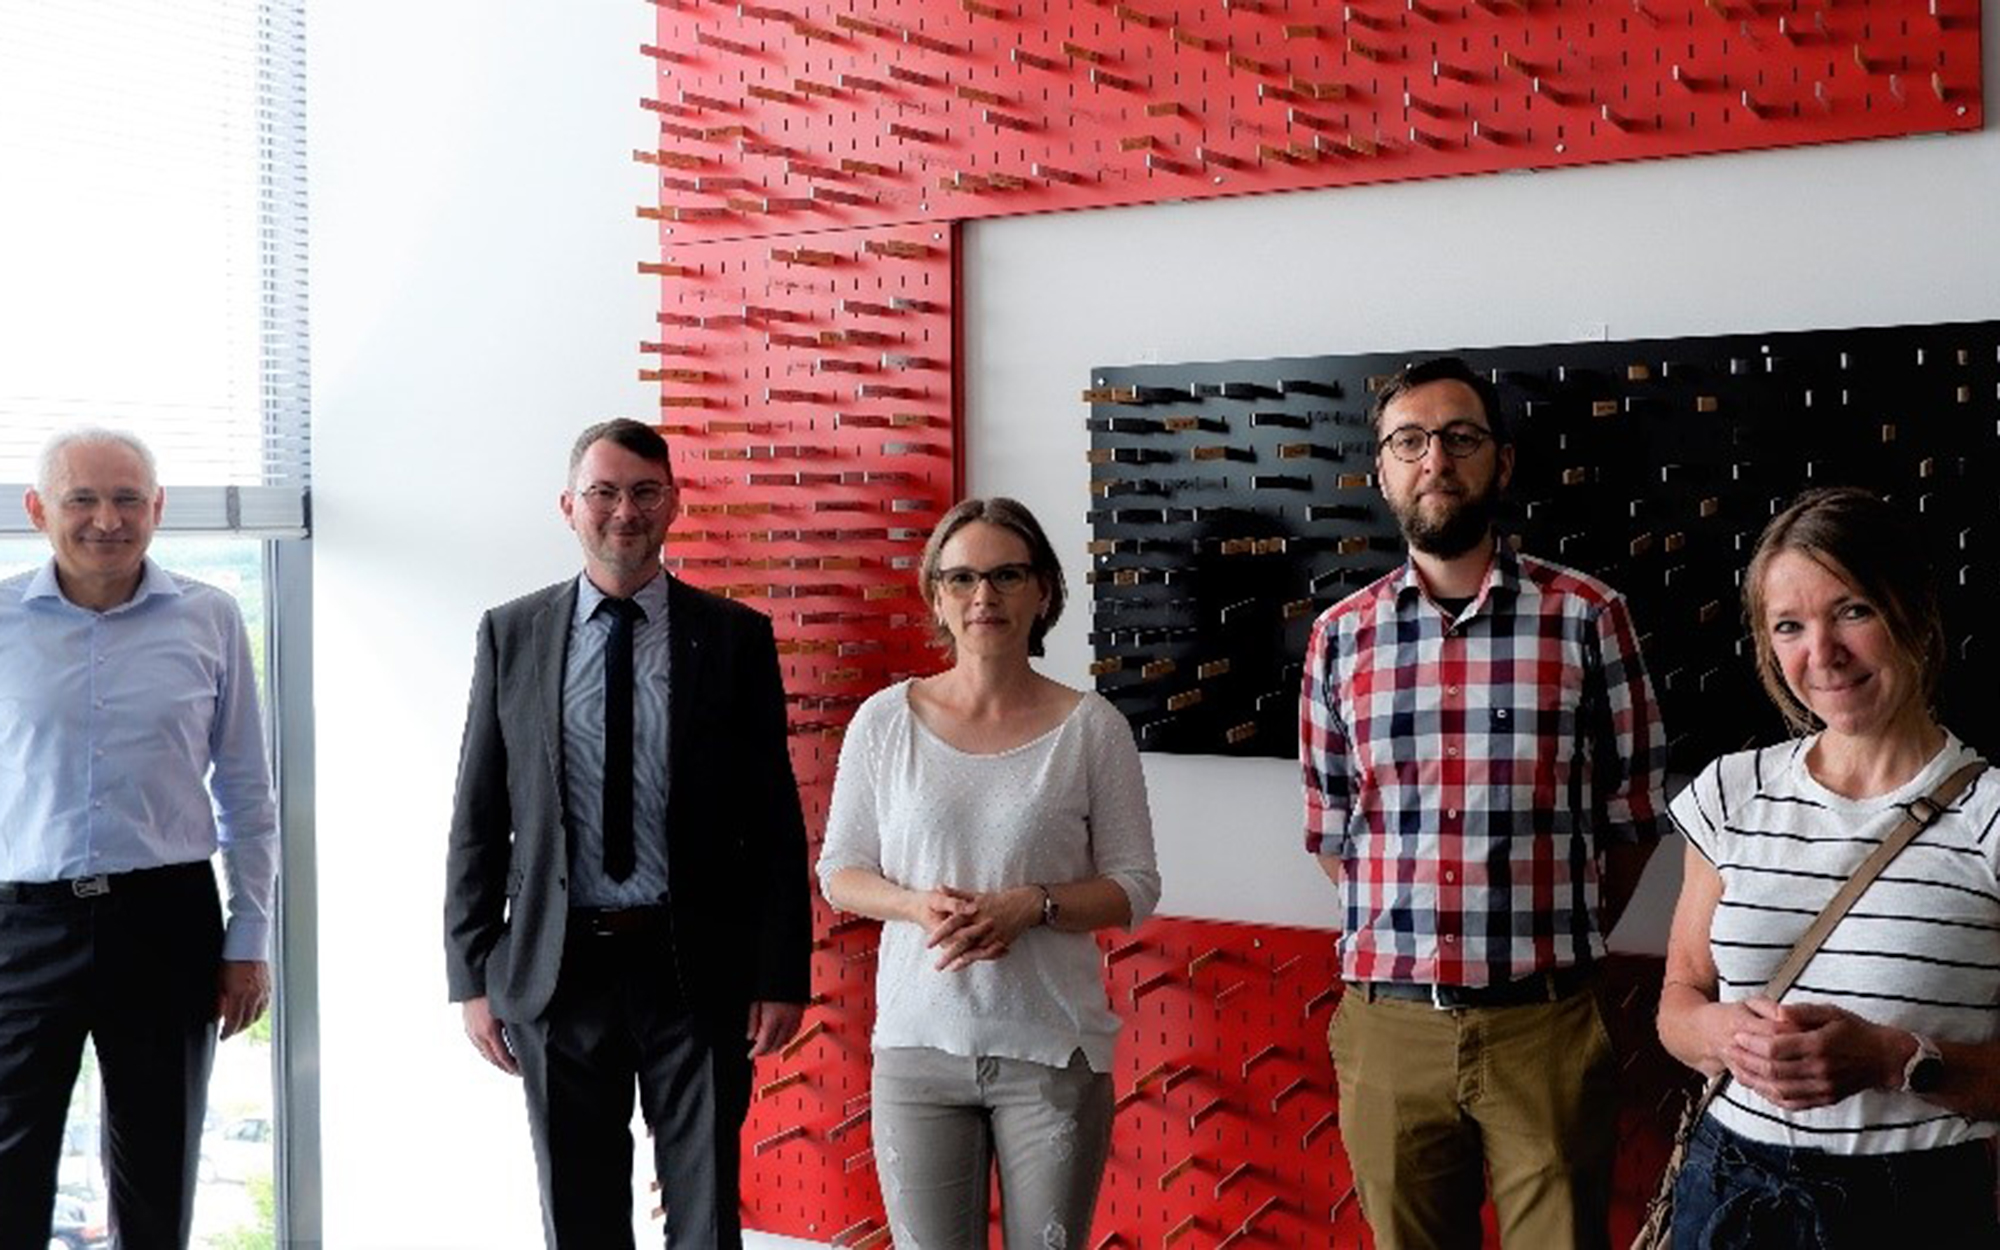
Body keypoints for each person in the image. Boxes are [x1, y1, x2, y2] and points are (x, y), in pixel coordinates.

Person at [1299, 356, 1670, 1249]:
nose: (1437, 461)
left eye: (1461, 438)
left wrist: (1542, 945)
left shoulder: (1589, 616)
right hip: (1390, 1027)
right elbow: (1331, 833)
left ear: (1501, 463)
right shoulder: (1339, 638)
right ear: (1382, 468)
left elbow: (1631, 820)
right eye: (1411, 441)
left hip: (1545, 1025)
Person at [443, 418, 810, 1249]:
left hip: (697, 967)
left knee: (706, 1213)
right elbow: (478, 815)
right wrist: (472, 974)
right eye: (604, 492)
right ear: (570, 505)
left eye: (644, 492)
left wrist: (781, 969)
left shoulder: (733, 638)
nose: (624, 511)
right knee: (580, 1213)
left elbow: (774, 818)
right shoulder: (513, 634)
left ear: (674, 504)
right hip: (557, 967)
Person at [1656, 486, 2000, 1248]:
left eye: (1852, 611)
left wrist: (1895, 1060)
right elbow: (1679, 1000)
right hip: (1725, 1193)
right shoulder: (1728, 791)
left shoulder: (1992, 816)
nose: (1824, 655)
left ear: (1914, 612)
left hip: (1915, 1209)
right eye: (1790, 626)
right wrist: (1718, 1032)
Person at [818, 497, 1160, 1250]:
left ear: (1043, 590)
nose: (985, 597)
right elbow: (840, 871)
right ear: (936, 594)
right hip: (917, 1054)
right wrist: (914, 905)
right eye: (963, 577)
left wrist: (1030, 906)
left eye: (1007, 575)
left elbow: (1134, 884)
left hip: (1052, 1056)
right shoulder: (884, 721)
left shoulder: (1092, 728)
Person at [0, 428, 278, 1249]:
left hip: (166, 923)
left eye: (127, 499)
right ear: (38, 509)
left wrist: (249, 939)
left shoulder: (211, 617)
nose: (106, 520)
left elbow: (246, 793)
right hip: (23, 927)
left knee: (157, 1182)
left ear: (157, 508)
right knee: (10, 1177)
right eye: (82, 498)